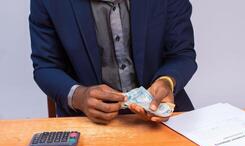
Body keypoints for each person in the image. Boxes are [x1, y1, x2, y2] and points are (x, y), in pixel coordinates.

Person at [29, 0, 197, 124]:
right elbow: (46, 67)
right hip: (86, 120)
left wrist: (167, 81)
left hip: (161, 117)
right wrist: (79, 96)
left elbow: (182, 53)